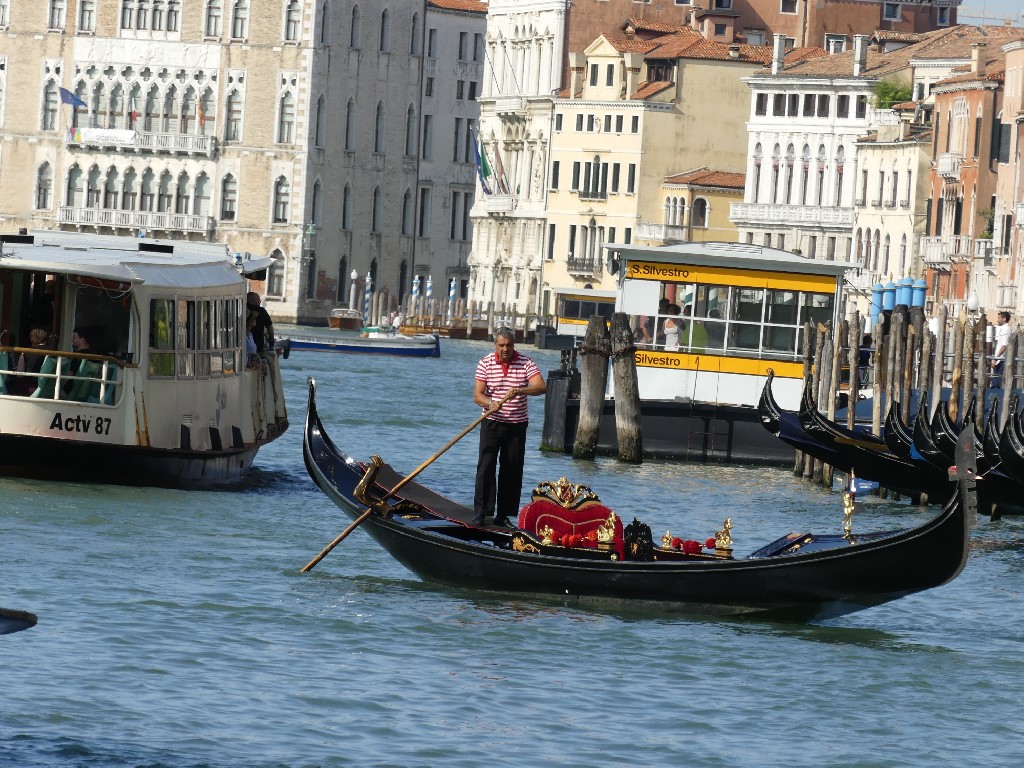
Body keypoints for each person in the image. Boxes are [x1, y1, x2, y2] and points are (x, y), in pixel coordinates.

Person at [472, 327, 546, 527]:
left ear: (514, 345)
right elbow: (477, 395)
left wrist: (521, 390)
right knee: (486, 465)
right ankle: (481, 512)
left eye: (509, 345)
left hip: (516, 424)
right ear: (495, 345)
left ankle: (503, 515)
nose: (505, 349)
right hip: (492, 421)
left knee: (511, 468)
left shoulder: (526, 362)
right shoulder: (485, 363)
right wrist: (490, 403)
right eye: (501, 345)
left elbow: (541, 386)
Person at [991, 311, 1011, 389]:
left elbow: (1003, 346)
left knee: (997, 382)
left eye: (999, 318)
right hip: (999, 359)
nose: (997, 320)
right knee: (995, 380)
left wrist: (996, 359)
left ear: (1004, 319)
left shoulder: (1006, 330)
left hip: (1001, 360)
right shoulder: (1002, 329)